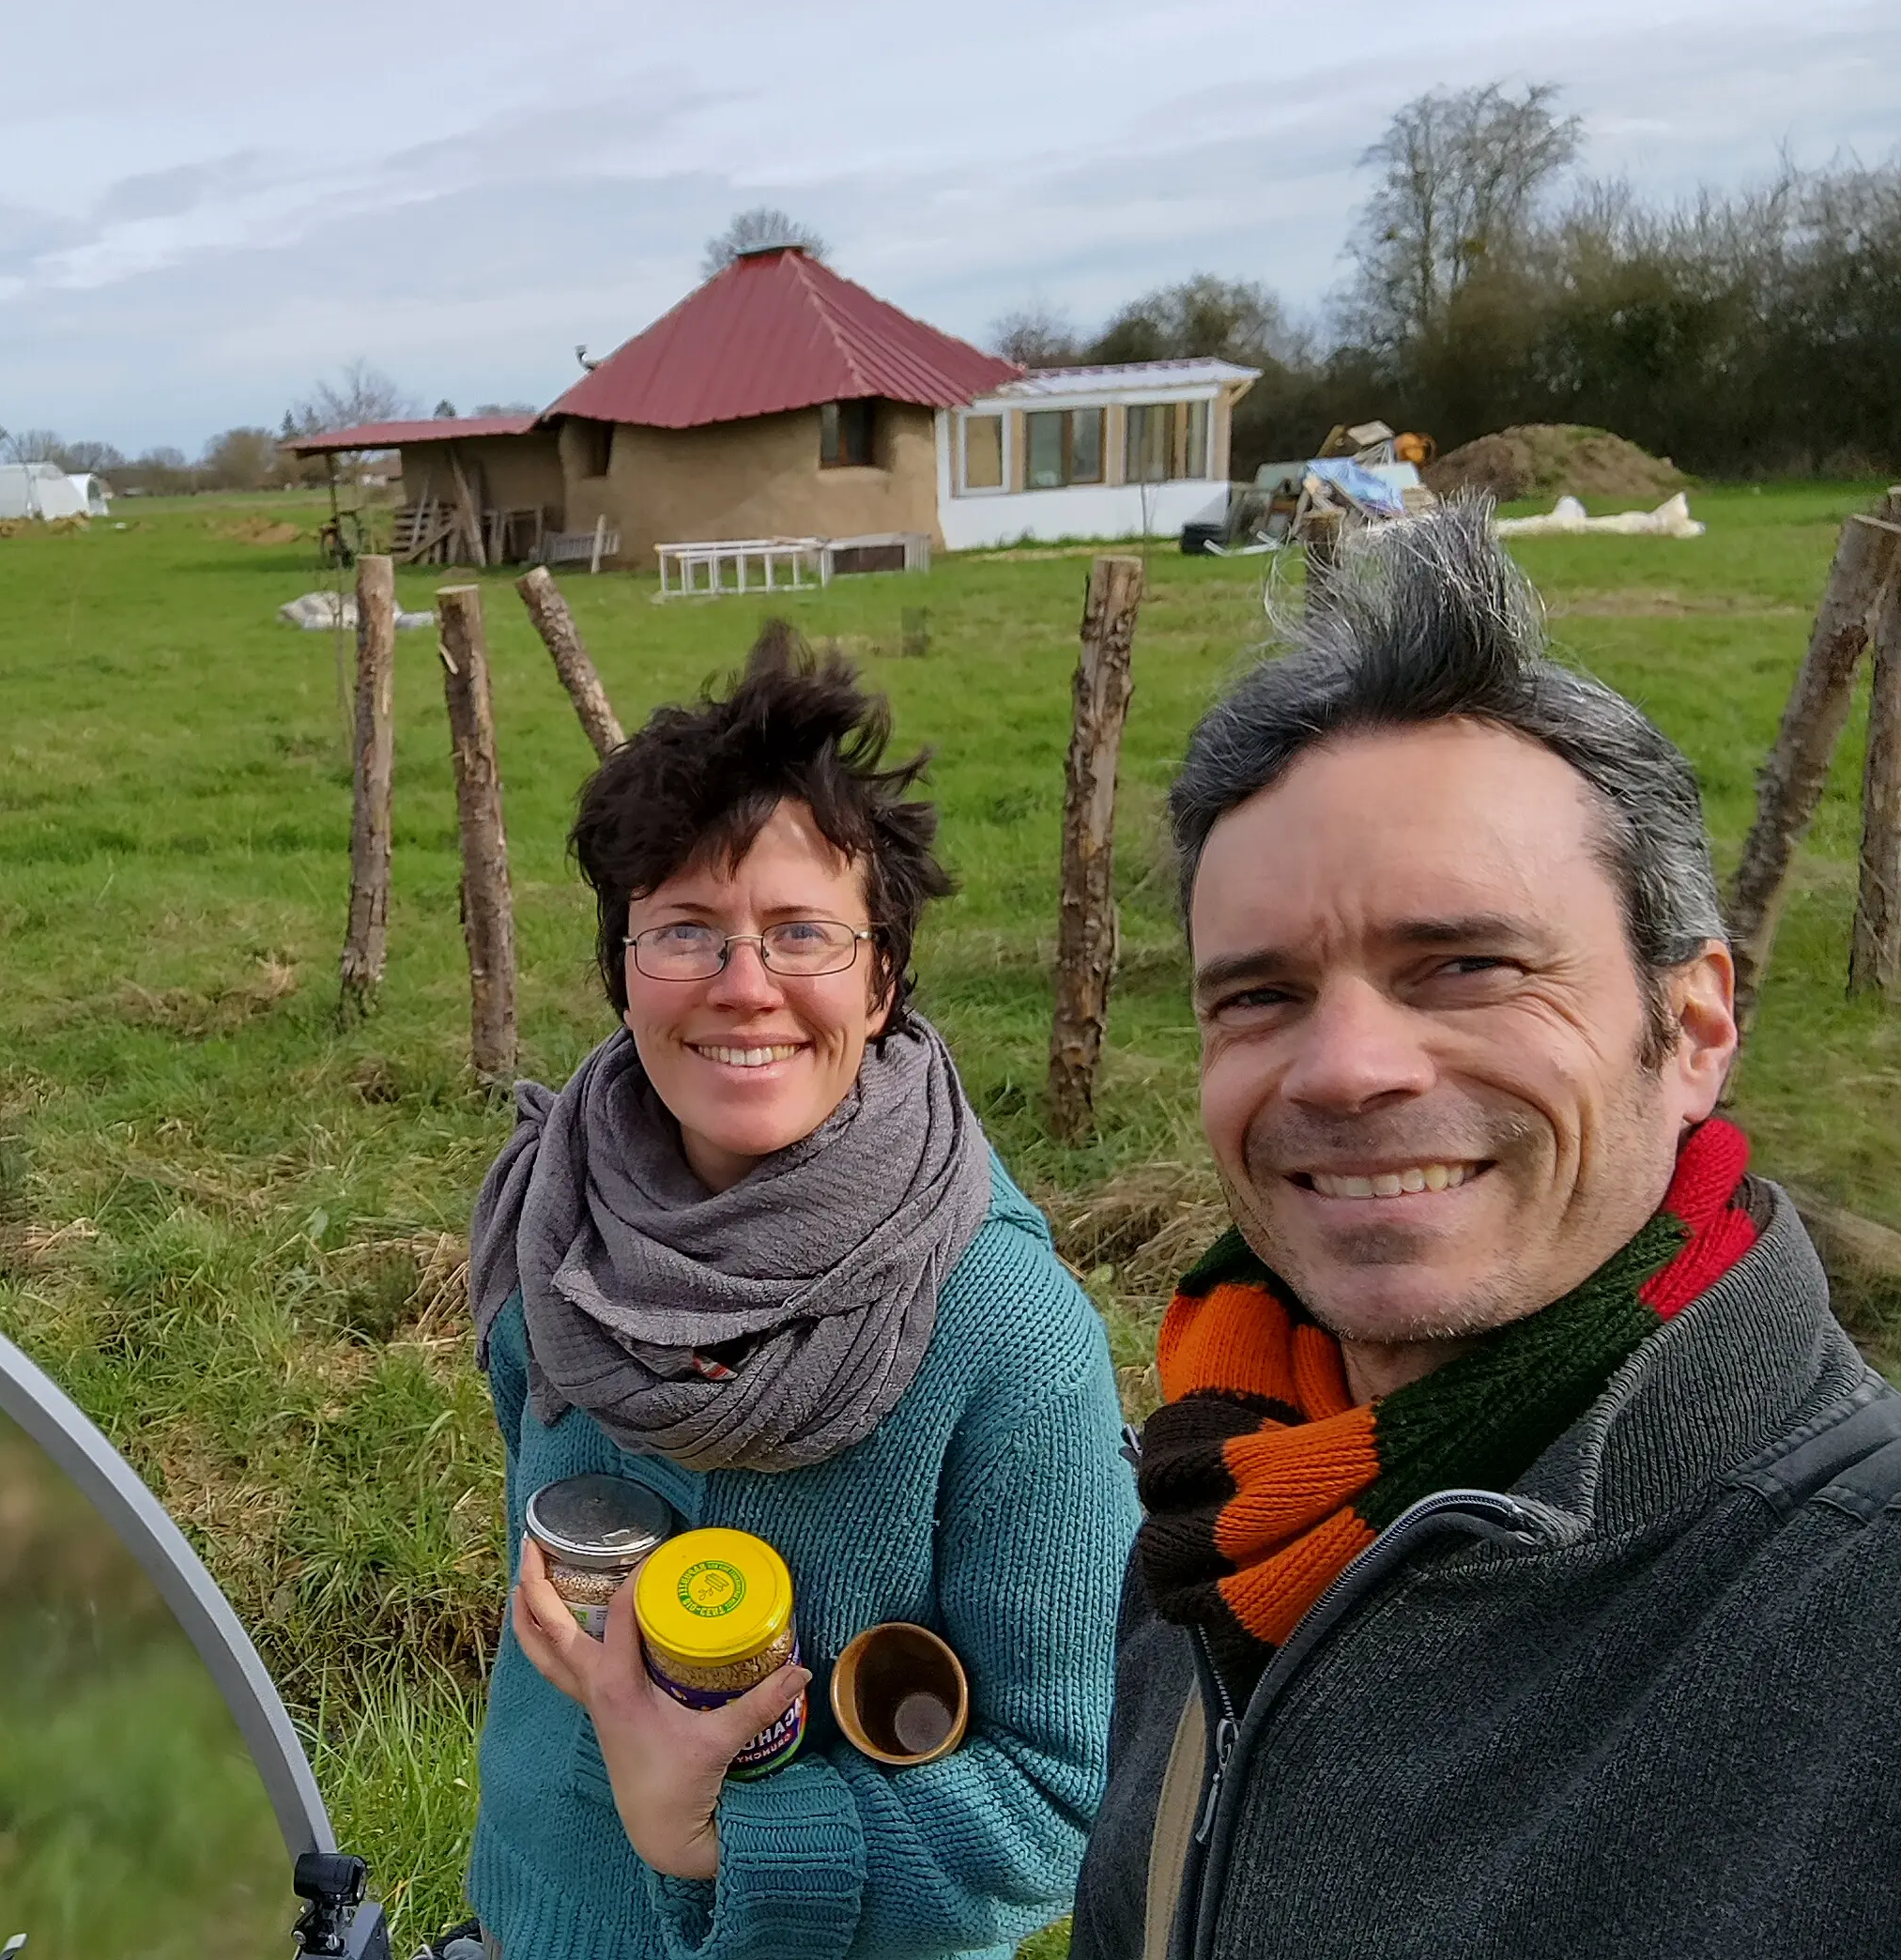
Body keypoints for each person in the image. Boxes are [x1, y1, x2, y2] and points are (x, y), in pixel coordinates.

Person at [1069, 505, 1901, 1959]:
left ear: (1694, 1022)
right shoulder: (1215, 1501)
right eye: (1258, 996)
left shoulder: (1857, 1616)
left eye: (1466, 964)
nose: (1344, 1069)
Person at [462, 625, 1137, 1960]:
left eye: (802, 934)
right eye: (686, 932)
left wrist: (718, 1838)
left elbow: (1066, 1796)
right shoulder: (549, 1224)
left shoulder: (1007, 1335)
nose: (745, 986)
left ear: (882, 980)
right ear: (622, 971)